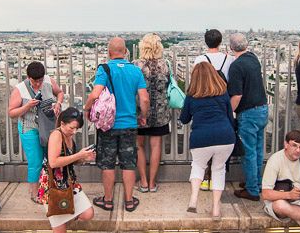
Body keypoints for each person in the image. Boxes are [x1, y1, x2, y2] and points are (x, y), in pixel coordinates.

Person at [84, 37, 149, 213]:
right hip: (129, 124)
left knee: (108, 164)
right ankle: (129, 201)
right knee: (128, 163)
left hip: (108, 125)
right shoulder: (135, 71)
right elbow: (144, 98)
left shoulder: (104, 69)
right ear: (126, 52)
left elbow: (95, 94)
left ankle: (108, 200)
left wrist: (86, 109)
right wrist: (142, 116)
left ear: (109, 52)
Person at [42, 108, 96, 233]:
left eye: (76, 129)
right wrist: (79, 155)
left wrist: (83, 158)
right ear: (62, 123)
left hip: (68, 182)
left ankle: (64, 216)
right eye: (72, 128)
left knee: (88, 213)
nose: (74, 131)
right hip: (54, 187)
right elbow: (54, 162)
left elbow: (70, 159)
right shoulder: (56, 135)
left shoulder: (68, 135)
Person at [180, 62, 236, 218]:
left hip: (201, 137)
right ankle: (216, 208)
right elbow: (230, 117)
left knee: (198, 166)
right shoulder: (223, 92)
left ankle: (193, 199)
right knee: (218, 170)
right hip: (225, 136)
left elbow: (184, 119)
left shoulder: (192, 96)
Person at [7, 62, 64, 202]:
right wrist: (27, 106)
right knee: (36, 161)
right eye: (35, 81)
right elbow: (11, 112)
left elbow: (60, 92)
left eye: (40, 80)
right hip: (29, 127)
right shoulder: (20, 89)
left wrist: (58, 103)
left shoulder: (49, 82)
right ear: (28, 77)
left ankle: (50, 187)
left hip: (48, 126)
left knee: (51, 159)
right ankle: (34, 192)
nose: (38, 84)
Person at [227, 33, 268, 201]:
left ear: (230, 48)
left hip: (249, 113)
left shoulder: (236, 66)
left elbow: (236, 96)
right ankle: (256, 182)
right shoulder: (253, 58)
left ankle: (252, 190)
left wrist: (228, 114)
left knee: (248, 152)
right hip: (263, 109)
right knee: (257, 150)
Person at [193, 28, 235, 190]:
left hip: (203, 104)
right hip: (223, 102)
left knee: (206, 141)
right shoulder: (229, 59)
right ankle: (216, 178)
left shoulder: (200, 59)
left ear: (206, 42)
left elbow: (196, 81)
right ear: (220, 41)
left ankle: (204, 178)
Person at [133, 33, 171, 193]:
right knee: (156, 146)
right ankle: (152, 183)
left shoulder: (136, 65)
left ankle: (143, 181)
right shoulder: (165, 65)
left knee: (139, 145)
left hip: (140, 110)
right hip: (160, 112)